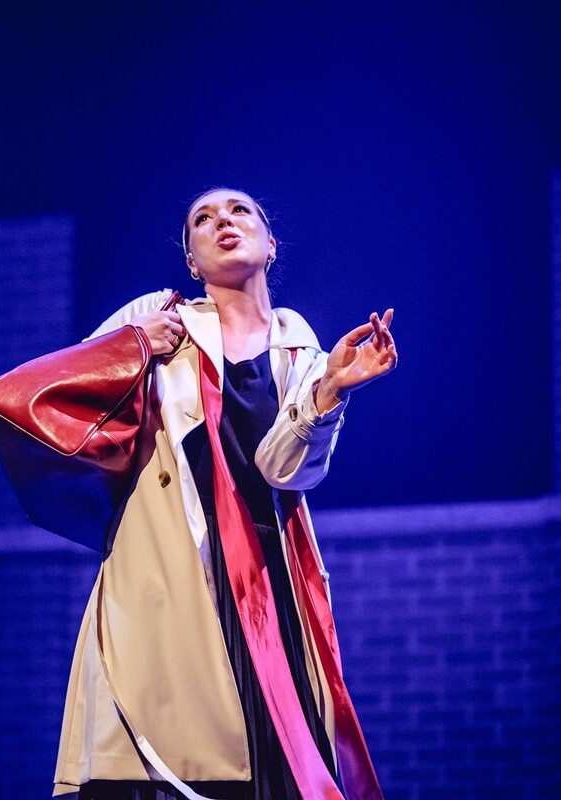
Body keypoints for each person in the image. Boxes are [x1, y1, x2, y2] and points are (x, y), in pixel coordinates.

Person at [51, 189, 397, 800]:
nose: (223, 222)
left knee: (276, 769)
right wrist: (132, 346)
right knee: (173, 763)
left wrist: (330, 391)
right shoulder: (160, 315)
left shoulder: (299, 344)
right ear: (191, 261)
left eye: (239, 211)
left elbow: (284, 470)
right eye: (203, 220)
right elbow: (62, 390)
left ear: (271, 243)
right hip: (172, 573)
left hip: (266, 587)